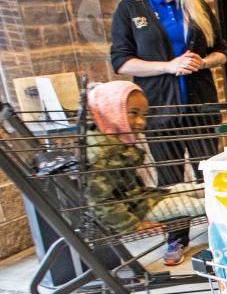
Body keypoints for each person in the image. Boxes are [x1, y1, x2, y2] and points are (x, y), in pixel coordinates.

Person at [110, 0, 227, 265]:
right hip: (159, 109)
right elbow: (121, 62)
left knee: (210, 175)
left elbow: (222, 52)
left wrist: (201, 62)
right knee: (171, 179)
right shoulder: (130, 7)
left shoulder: (196, 6)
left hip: (201, 107)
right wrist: (168, 66)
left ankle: (222, 234)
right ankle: (176, 239)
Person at [85, 81, 204, 235]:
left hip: (141, 199)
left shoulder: (113, 140)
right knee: (188, 205)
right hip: (133, 211)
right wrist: (133, 225)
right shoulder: (104, 153)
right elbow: (99, 201)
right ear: (111, 111)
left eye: (144, 115)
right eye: (133, 113)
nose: (141, 122)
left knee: (191, 189)